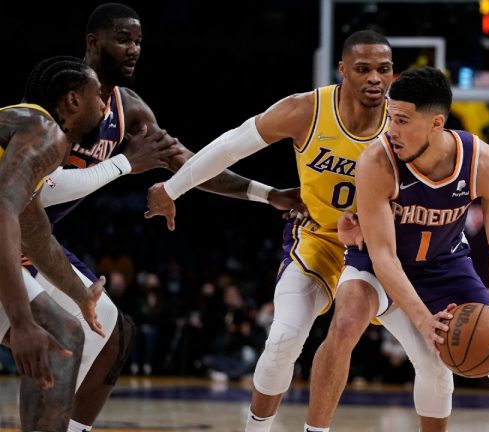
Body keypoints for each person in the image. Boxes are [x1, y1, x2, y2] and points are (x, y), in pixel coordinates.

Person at [24, 4, 301, 432]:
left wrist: (268, 195)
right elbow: (39, 190)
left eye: (137, 41)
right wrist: (124, 165)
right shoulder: (60, 94)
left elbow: (192, 164)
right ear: (92, 43)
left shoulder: (129, 110)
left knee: (114, 339)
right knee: (63, 339)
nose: (133, 49)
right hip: (15, 233)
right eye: (122, 39)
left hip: (38, 243)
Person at [144, 30, 394, 432]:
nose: (374, 79)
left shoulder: (402, 123)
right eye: (362, 69)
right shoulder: (306, 110)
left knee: (432, 358)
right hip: (319, 240)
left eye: (383, 70)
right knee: (283, 339)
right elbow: (229, 146)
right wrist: (172, 189)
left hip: (383, 251)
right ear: (343, 70)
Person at [330, 66, 489, 432]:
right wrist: (423, 319)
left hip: (444, 265)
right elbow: (384, 256)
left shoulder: (485, 163)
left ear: (436, 123)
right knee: (432, 363)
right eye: (389, 117)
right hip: (379, 266)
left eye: (401, 120)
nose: (390, 130)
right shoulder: (377, 162)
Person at [0, 55, 106, 432]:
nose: (105, 106)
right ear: (73, 102)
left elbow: (37, 237)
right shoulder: (46, 132)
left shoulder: (25, 142)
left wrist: (81, 295)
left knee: (62, 334)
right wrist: (22, 320)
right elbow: (2, 213)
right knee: (58, 334)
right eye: (99, 97)